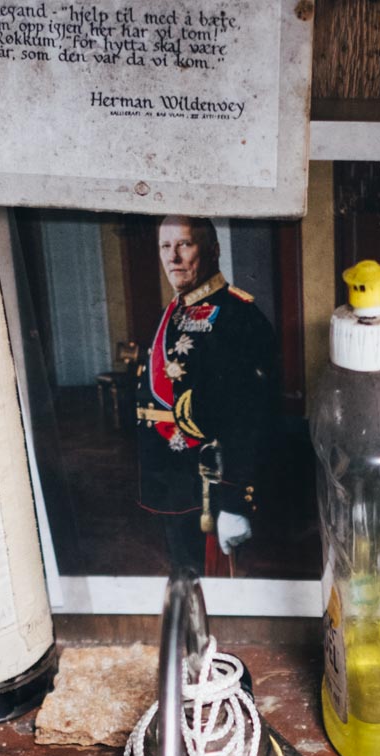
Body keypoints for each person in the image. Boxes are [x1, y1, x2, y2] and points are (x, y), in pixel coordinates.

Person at [136, 216, 281, 577]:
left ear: (213, 250)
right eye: (165, 246)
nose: (173, 257)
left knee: (218, 586)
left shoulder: (237, 316)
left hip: (211, 490)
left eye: (184, 244)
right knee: (186, 576)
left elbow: (251, 417)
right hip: (175, 482)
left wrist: (235, 501)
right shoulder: (175, 311)